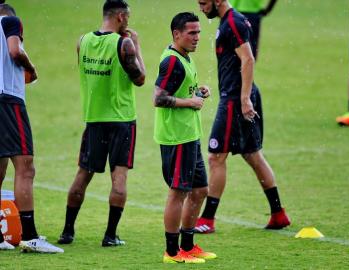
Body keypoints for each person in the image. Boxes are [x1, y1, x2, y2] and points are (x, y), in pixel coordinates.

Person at [195, 0, 290, 234]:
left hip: (235, 99)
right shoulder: (230, 21)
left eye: (204, 3)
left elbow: (248, 59)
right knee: (252, 154)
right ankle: (278, 214)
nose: (201, 8)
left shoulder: (233, 23)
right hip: (239, 96)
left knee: (216, 157)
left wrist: (244, 98)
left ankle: (207, 219)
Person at [57, 0, 145, 247]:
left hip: (94, 119)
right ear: (119, 16)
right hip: (122, 120)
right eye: (127, 17)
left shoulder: (82, 41)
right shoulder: (124, 43)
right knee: (119, 178)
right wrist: (137, 46)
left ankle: (67, 231)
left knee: (83, 174)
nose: (128, 21)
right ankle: (110, 235)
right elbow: (140, 79)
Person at [0, 2, 63, 253]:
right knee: (25, 167)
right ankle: (30, 236)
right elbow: (15, 52)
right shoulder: (9, 21)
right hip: (9, 101)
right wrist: (31, 68)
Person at [154, 12, 216, 263]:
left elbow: (180, 90)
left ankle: (188, 246)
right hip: (177, 138)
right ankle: (171, 252)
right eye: (192, 33)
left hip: (190, 135)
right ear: (176, 34)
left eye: (199, 32)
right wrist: (190, 101)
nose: (197, 37)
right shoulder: (171, 61)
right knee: (178, 192)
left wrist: (198, 91)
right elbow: (158, 99)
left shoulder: (185, 57)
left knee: (200, 190)